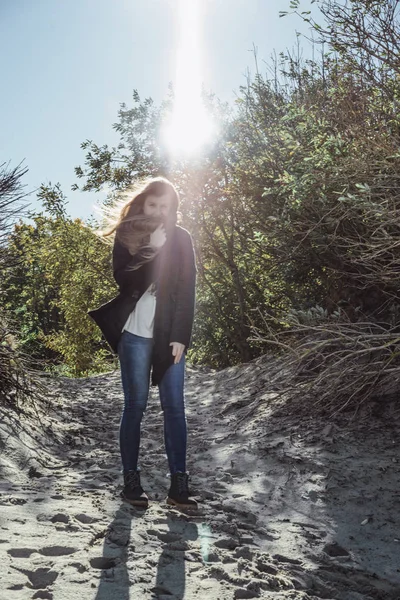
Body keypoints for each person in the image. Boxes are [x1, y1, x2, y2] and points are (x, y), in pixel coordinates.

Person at [89, 177, 197, 509]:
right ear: (143, 204)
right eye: (153, 204)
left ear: (173, 208)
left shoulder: (182, 239)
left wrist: (181, 335)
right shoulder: (128, 235)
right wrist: (151, 247)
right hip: (134, 334)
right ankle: (131, 482)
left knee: (175, 409)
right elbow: (124, 281)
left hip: (169, 337)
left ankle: (179, 486)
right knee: (134, 407)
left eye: (165, 206)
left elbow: (187, 290)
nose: (159, 211)